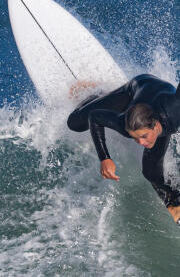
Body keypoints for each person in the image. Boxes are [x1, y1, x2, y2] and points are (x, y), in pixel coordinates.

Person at [67, 74, 180, 224]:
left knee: (150, 170)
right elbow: (94, 117)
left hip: (153, 90)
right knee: (75, 123)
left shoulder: (175, 107)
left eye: (144, 136)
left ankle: (175, 203)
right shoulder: (124, 124)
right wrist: (105, 158)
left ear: (156, 126)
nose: (140, 142)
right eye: (135, 138)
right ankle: (98, 94)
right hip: (134, 90)